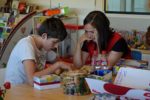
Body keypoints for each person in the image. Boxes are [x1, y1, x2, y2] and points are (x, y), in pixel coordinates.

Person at [5, 17, 72, 86]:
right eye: (54, 42)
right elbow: (31, 80)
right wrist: (57, 66)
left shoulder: (44, 47)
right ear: (44, 36)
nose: (56, 46)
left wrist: (64, 66)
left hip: (30, 89)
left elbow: (59, 62)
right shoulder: (26, 45)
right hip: (15, 91)